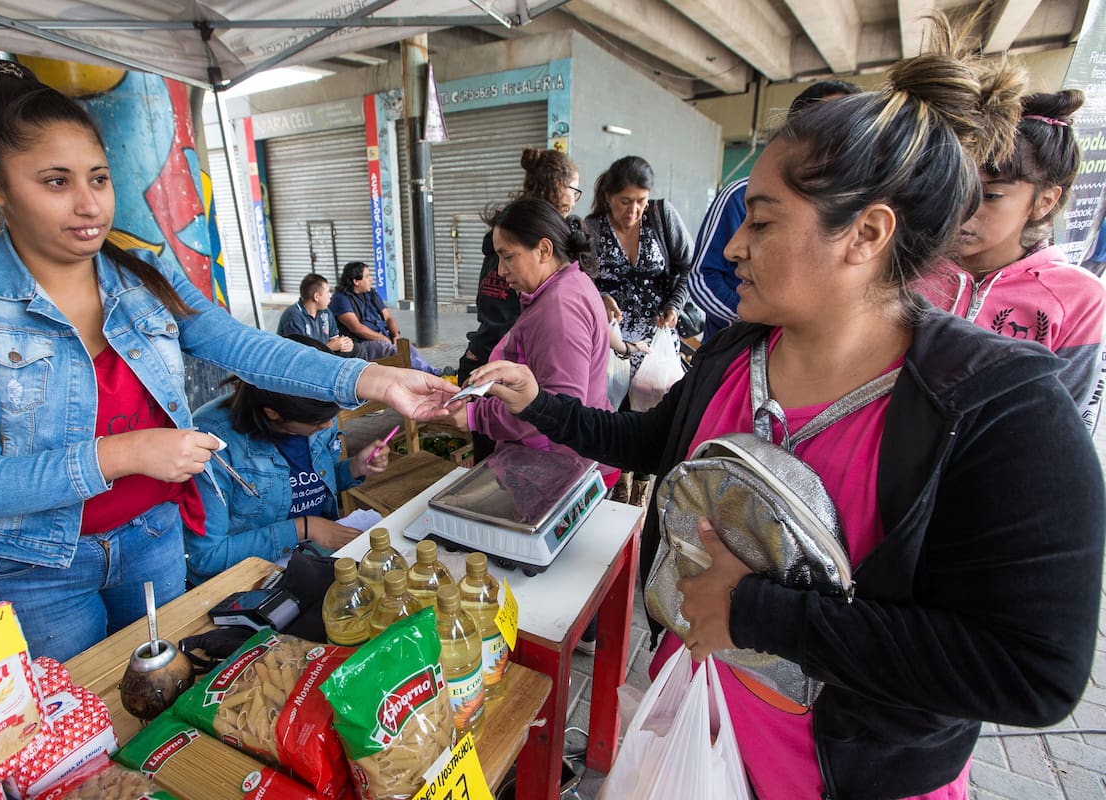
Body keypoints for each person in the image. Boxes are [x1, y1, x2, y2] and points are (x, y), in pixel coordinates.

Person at [470, 22, 1104, 800]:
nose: (731, 247)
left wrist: (760, 614)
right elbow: (649, 441)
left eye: (761, 222)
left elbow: (1031, 670)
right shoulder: (736, 355)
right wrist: (546, 406)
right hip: (692, 731)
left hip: (844, 774)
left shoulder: (1000, 408)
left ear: (866, 233)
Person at [0, 60, 457, 661]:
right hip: (35, 564)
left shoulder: (143, 273)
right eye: (55, 182)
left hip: (153, 537)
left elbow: (242, 345)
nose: (90, 206)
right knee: (82, 730)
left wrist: (375, 378)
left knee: (163, 703)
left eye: (99, 178)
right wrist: (131, 452)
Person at [917, 90, 1106, 432]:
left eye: (990, 196)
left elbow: (1067, 419)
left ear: (1044, 202)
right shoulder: (911, 265)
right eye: (956, 188)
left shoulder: (1079, 297)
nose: (963, 210)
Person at [185, 337, 391, 585]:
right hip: (254, 578)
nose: (328, 425)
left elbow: (308, 483)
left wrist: (354, 468)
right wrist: (304, 528)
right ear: (272, 413)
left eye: (331, 416)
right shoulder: (212, 443)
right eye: (317, 422)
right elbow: (205, 557)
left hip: (316, 554)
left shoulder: (315, 410)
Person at [687, 80, 861, 341]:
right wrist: (751, 322)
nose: (735, 249)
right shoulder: (738, 195)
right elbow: (702, 276)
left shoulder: (859, 212)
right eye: (759, 221)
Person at [451, 197, 613, 475]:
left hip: (563, 467)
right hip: (568, 459)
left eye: (508, 257)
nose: (500, 271)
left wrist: (475, 416)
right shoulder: (567, 285)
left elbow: (555, 410)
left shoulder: (560, 308)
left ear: (543, 250)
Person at [586, 155, 693, 505]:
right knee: (614, 412)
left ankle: (641, 492)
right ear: (608, 197)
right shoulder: (591, 229)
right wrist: (600, 297)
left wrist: (674, 305)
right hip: (614, 341)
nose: (634, 210)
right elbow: (579, 280)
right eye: (625, 201)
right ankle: (617, 482)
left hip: (657, 337)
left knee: (654, 411)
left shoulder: (663, 217)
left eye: (641, 201)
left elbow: (686, 268)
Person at [457, 147, 583, 385]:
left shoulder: (567, 285)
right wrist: (479, 351)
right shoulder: (514, 241)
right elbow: (496, 308)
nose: (575, 200)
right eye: (573, 189)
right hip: (500, 363)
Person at [331, 260, 447, 375]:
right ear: (356, 281)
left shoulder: (371, 294)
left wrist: (395, 335)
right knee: (391, 349)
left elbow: (388, 318)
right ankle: (431, 375)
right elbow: (357, 328)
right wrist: (383, 339)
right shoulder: (341, 299)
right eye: (367, 276)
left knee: (405, 346)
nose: (371, 279)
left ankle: (433, 371)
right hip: (362, 343)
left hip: (383, 337)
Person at [276, 273, 354, 355]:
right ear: (316, 297)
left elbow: (334, 338)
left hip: (324, 354)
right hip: (305, 361)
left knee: (358, 350)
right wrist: (328, 347)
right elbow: (299, 354)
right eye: (327, 292)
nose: (330, 295)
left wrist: (345, 344)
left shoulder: (325, 311)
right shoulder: (293, 316)